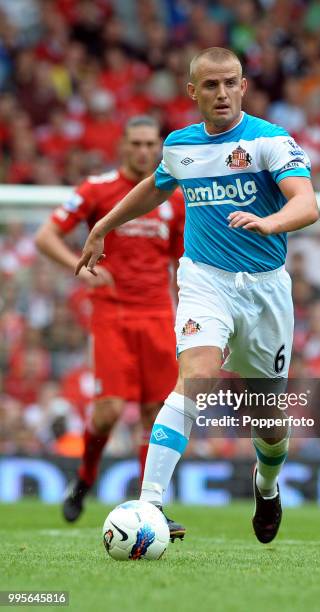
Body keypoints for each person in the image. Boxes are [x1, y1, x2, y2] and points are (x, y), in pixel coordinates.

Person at [76, 47, 318, 544]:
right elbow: (156, 186)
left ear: (243, 86)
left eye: (231, 83)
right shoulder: (179, 146)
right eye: (211, 85)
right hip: (205, 280)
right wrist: (103, 225)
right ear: (193, 92)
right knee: (197, 378)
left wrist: (268, 222)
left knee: (270, 420)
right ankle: (149, 504)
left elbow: (306, 203)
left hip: (266, 290)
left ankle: (266, 486)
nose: (222, 93)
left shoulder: (270, 140)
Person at [35, 115, 186, 540]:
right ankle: (84, 479)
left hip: (158, 314)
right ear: (122, 146)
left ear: (159, 148)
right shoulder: (97, 189)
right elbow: (47, 236)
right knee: (109, 411)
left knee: (157, 414)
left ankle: (149, 506)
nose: (142, 152)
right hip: (112, 314)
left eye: (149, 144)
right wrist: (77, 268)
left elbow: (180, 259)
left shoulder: (171, 197)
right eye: (135, 143)